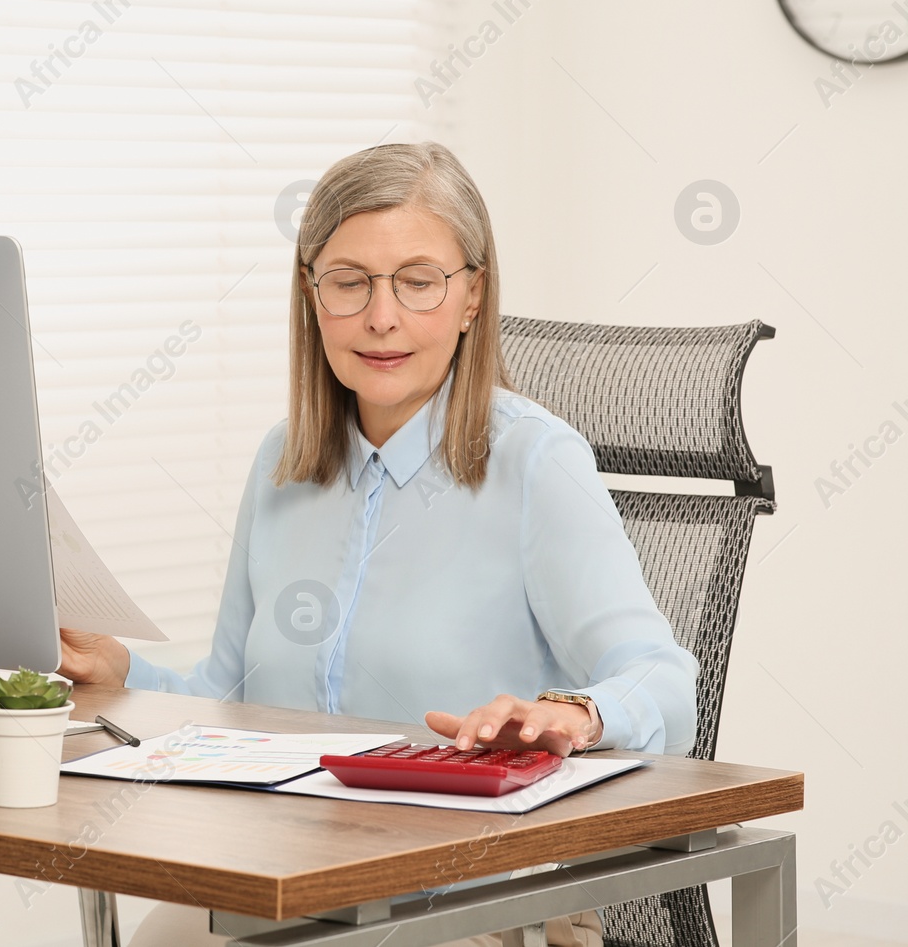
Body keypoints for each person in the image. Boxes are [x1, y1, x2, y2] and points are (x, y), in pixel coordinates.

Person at [57, 142, 697, 947]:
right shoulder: (282, 463)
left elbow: (669, 681)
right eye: (349, 282)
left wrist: (570, 711)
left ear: (471, 296)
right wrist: (122, 676)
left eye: (418, 281)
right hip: (284, 871)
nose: (381, 317)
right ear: (310, 295)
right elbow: (229, 700)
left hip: (464, 896)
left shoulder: (538, 462)